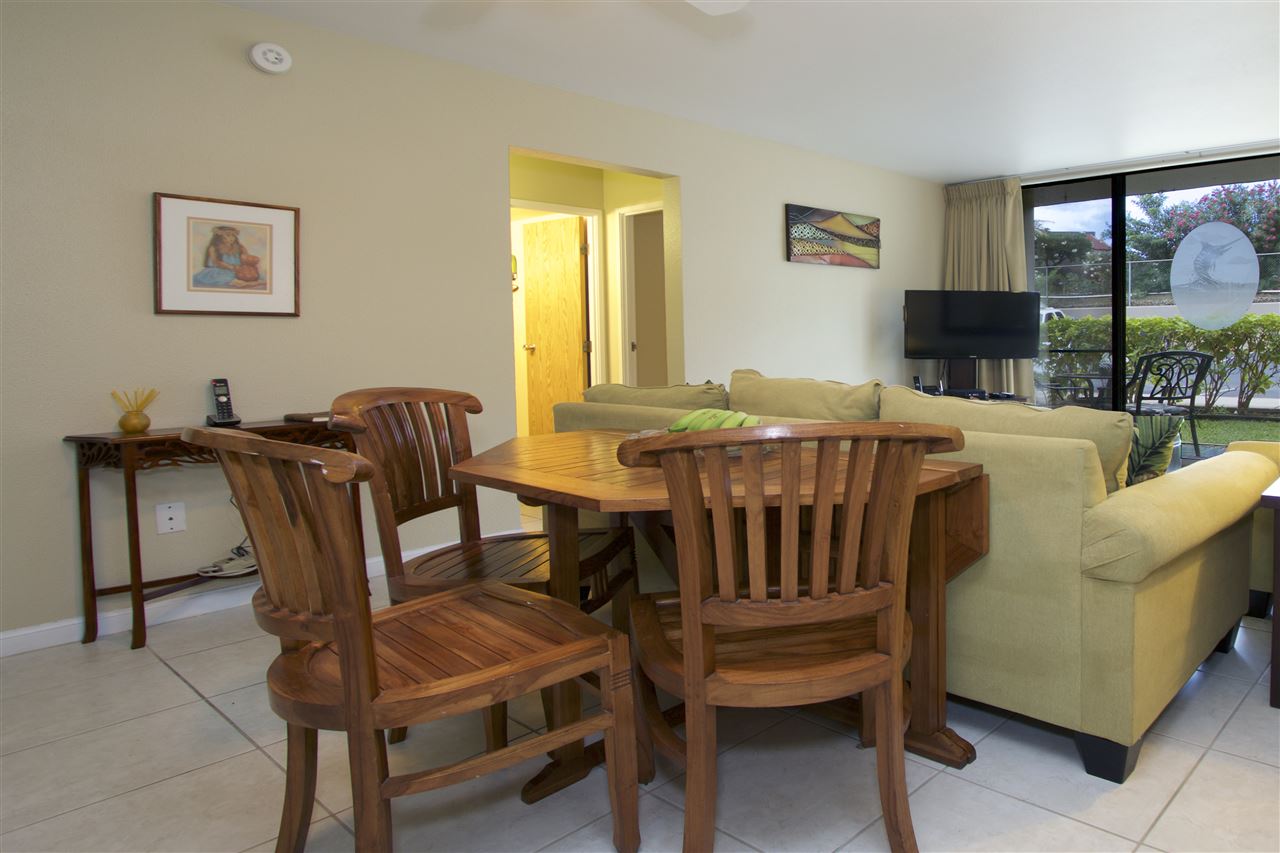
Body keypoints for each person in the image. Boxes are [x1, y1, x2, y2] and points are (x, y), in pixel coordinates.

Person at [192, 225, 263, 287]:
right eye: (228, 235)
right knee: (224, 277)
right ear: (219, 236)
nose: (231, 238)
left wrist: (251, 264)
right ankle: (242, 283)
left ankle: (247, 282)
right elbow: (216, 262)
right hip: (219, 270)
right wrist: (232, 267)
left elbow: (246, 259)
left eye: (233, 235)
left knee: (255, 276)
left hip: (237, 270)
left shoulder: (240, 247)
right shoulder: (214, 247)